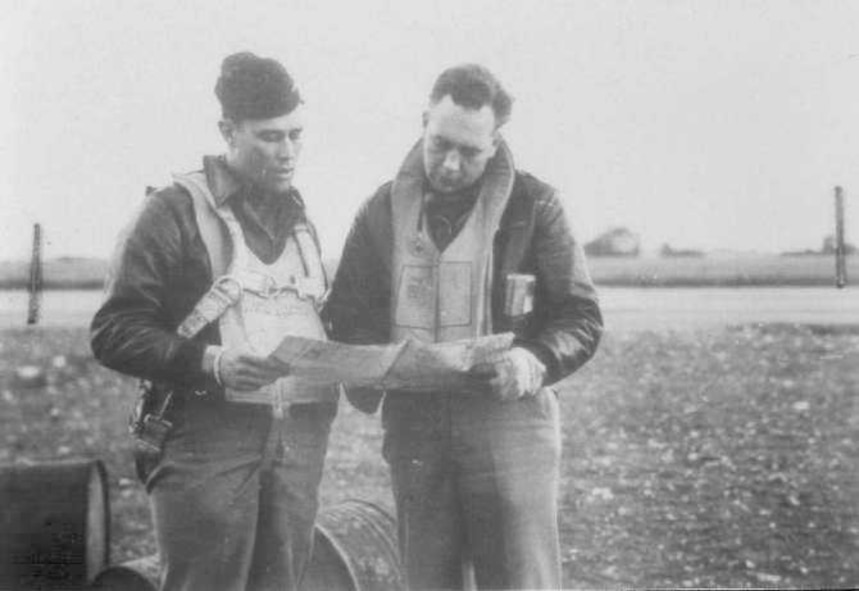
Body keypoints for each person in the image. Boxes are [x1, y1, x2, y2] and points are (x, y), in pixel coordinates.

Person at [325, 64, 603, 590]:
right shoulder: (380, 211)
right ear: (424, 121)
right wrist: (368, 362)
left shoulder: (535, 205)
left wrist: (533, 360)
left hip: (508, 415)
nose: (450, 165)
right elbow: (349, 312)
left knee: (520, 578)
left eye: (470, 153)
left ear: (495, 143)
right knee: (428, 579)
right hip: (415, 423)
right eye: (440, 144)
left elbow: (582, 316)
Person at [91, 52, 337, 591]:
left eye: (297, 134)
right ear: (228, 130)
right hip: (204, 439)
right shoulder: (171, 212)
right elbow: (113, 331)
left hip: (295, 444)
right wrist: (213, 361)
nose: (288, 151)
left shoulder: (302, 225)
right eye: (270, 137)